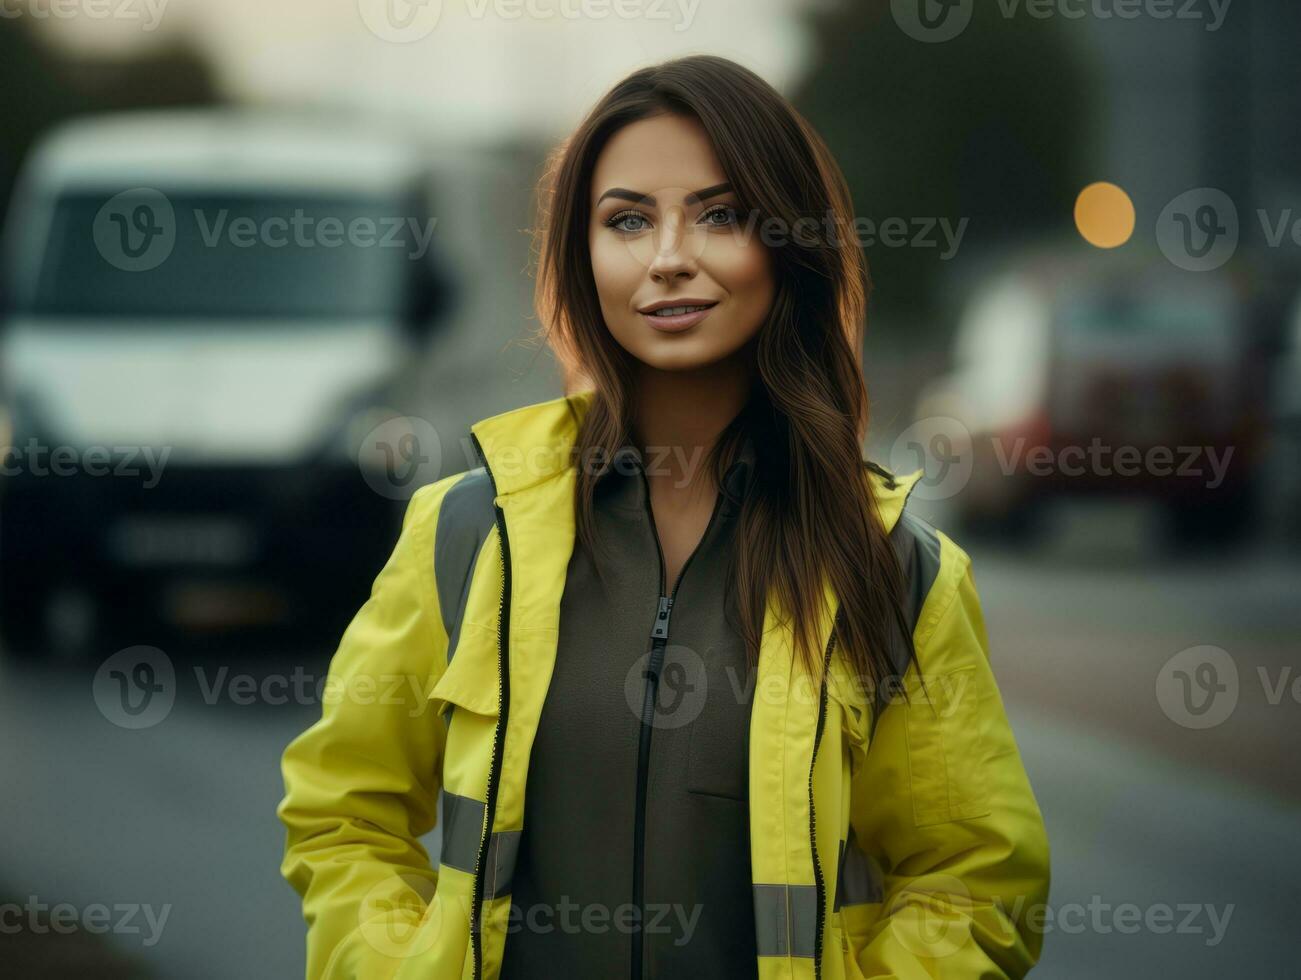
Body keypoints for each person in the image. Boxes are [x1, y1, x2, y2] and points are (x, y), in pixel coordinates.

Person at [277, 54, 1050, 980]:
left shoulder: (892, 567)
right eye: (627, 220)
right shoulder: (464, 534)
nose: (669, 255)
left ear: (788, 245)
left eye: (719, 215)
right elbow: (341, 815)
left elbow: (974, 879)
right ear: (582, 255)